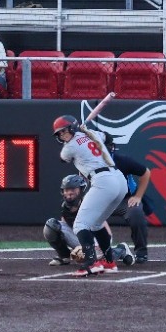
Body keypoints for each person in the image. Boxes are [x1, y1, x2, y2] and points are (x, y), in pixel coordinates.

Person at [52, 103, 126, 275]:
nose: (62, 135)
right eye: (59, 133)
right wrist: (86, 134)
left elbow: (63, 158)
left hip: (103, 180)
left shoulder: (70, 147)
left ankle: (91, 263)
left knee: (80, 224)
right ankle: (109, 262)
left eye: (64, 131)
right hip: (117, 179)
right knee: (96, 224)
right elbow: (108, 137)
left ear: (71, 128)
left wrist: (81, 134)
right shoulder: (92, 134)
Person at [41, 173, 89, 267]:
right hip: (79, 235)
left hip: (94, 238)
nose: (69, 193)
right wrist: (77, 247)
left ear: (81, 190)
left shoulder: (88, 204)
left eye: (72, 189)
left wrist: (95, 247)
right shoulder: (65, 207)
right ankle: (64, 256)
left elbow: (103, 228)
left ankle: (121, 250)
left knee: (97, 256)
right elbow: (65, 227)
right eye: (67, 190)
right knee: (51, 226)